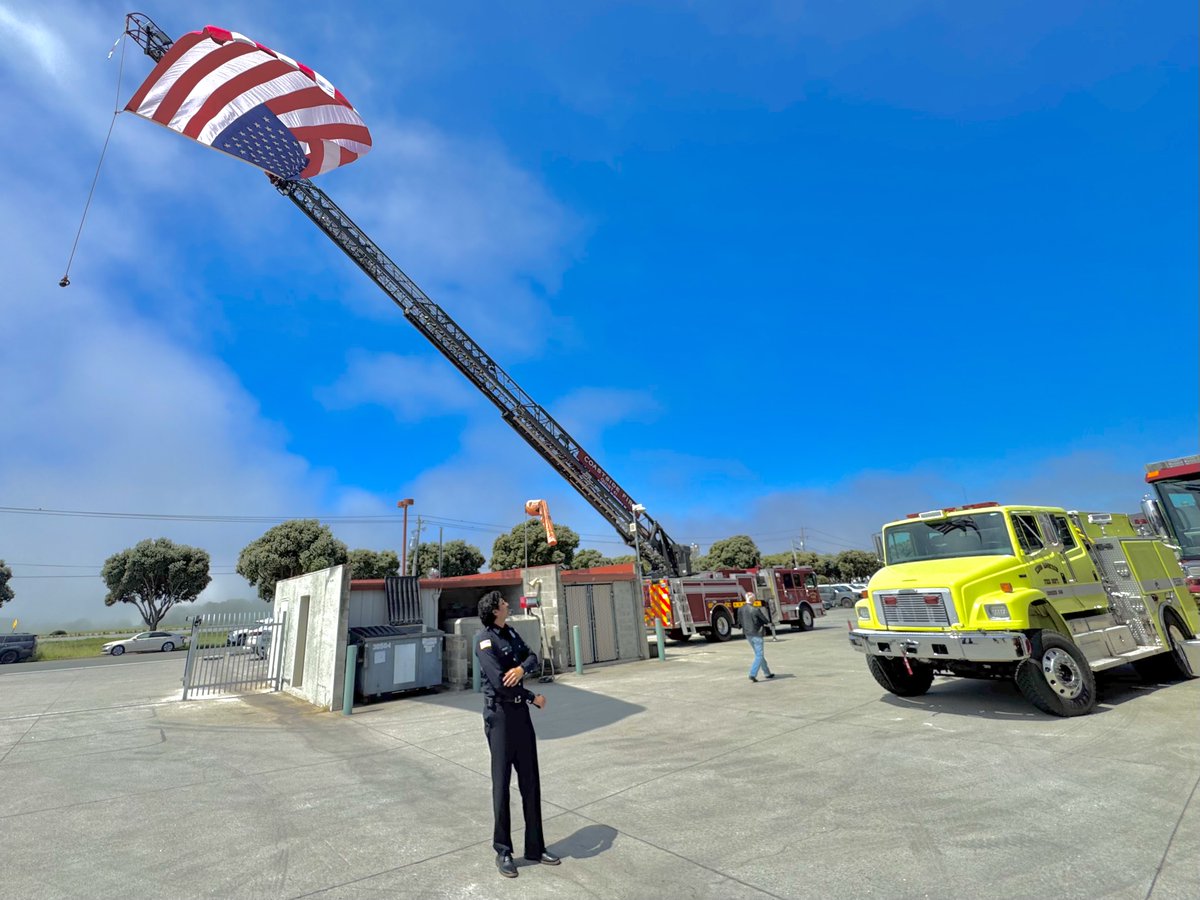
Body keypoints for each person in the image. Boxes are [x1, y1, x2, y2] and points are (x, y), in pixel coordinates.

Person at [474, 590, 561, 878]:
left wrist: (522, 668)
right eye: (503, 603)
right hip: (499, 717)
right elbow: (500, 683)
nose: (508, 605)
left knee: (530, 782)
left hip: (520, 717)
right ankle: (503, 851)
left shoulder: (510, 633)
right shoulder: (484, 640)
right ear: (494, 610)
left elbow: (532, 657)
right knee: (501, 785)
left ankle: (536, 847)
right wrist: (530, 695)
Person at [738, 592, 776, 682]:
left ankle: (767, 673)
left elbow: (739, 622)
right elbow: (764, 620)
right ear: (752, 599)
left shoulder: (740, 609)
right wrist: (769, 623)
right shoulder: (755, 610)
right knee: (759, 655)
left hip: (748, 634)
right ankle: (752, 673)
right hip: (756, 633)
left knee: (758, 654)